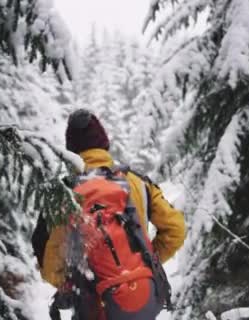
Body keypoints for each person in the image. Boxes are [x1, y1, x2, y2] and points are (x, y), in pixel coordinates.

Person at [38, 109, 186, 320]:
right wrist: (145, 262)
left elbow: (52, 266)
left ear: (71, 150)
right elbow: (176, 230)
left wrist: (76, 284)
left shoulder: (66, 195)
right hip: (141, 299)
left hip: (95, 307)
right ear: (104, 143)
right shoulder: (136, 181)